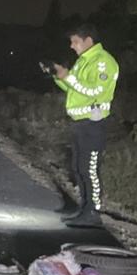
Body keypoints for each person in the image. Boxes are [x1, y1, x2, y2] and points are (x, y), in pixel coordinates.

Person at [50, 24, 119, 228]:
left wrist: (68, 77)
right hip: (80, 123)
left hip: (93, 124)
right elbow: (75, 89)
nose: (72, 46)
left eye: (75, 41)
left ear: (88, 40)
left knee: (90, 169)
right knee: (79, 168)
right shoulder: (84, 61)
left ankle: (93, 212)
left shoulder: (103, 62)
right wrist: (58, 75)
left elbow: (95, 91)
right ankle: (84, 208)